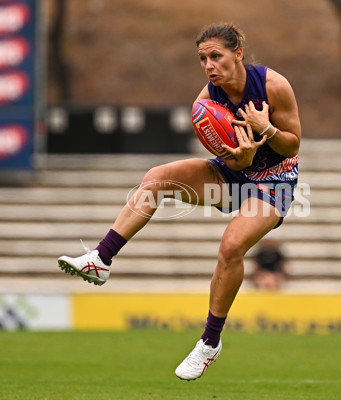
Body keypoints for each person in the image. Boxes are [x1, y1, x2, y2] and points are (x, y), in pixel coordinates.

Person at [57, 22, 302, 381]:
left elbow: (293, 144)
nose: (209, 65)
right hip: (234, 175)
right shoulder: (204, 104)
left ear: (238, 54)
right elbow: (233, 160)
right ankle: (101, 258)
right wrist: (243, 159)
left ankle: (209, 343)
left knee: (231, 247)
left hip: (276, 181)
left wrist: (264, 130)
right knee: (156, 178)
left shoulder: (272, 85)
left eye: (216, 56)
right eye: (202, 59)